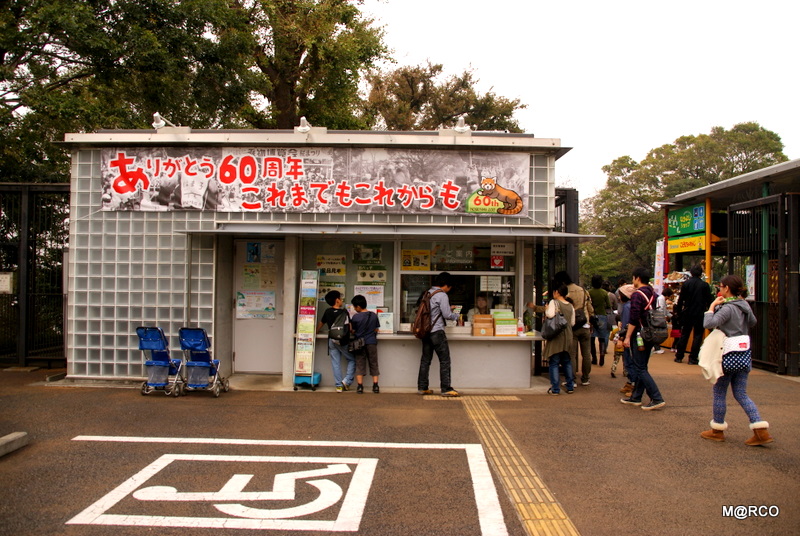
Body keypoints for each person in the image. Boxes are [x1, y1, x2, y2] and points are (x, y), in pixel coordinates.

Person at [700, 275, 773, 445]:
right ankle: (760, 430)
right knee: (741, 393)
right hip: (743, 354)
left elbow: (709, 324)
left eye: (721, 286)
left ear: (726, 288)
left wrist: (712, 306)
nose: (719, 289)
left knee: (719, 392)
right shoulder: (744, 305)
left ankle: (717, 430)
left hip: (727, 355)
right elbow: (753, 322)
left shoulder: (727, 308)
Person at [621, 268, 666, 410]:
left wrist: (627, 336)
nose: (633, 281)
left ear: (638, 278)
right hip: (650, 333)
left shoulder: (637, 295)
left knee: (639, 367)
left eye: (633, 278)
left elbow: (634, 318)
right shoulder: (653, 293)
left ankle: (656, 397)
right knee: (642, 366)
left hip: (640, 334)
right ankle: (636, 397)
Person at [417, 272, 461, 397]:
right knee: (445, 360)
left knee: (425, 360)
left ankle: (422, 387)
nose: (449, 289)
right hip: (436, 332)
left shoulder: (428, 293)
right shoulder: (442, 295)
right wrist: (456, 316)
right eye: (450, 286)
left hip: (425, 332)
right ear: (446, 285)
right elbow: (447, 315)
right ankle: (446, 388)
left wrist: (448, 308)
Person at [554, 271, 594, 386]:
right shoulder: (583, 290)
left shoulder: (565, 291)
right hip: (584, 324)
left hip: (573, 325)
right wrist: (590, 320)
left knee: (572, 354)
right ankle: (586, 378)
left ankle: (572, 379)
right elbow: (590, 307)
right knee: (586, 353)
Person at [317, 290, 356, 392]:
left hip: (332, 340)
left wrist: (315, 332)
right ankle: (346, 381)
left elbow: (321, 324)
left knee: (335, 363)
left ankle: (338, 385)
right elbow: (350, 328)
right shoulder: (344, 312)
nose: (342, 300)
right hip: (342, 341)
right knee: (352, 360)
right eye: (340, 298)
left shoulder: (327, 312)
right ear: (337, 300)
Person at [674, 265, 713, 364]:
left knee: (684, 334)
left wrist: (678, 313)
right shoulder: (704, 285)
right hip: (700, 313)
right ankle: (693, 358)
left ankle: (679, 356)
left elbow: (680, 300)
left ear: (691, 273)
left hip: (687, 312)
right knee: (698, 335)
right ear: (701, 273)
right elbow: (709, 300)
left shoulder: (686, 284)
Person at [545, 283, 575, 395]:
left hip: (557, 336)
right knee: (567, 361)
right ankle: (570, 386)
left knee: (554, 362)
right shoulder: (570, 305)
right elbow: (572, 322)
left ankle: (555, 389)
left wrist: (547, 309)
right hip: (568, 335)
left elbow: (550, 315)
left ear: (557, 292)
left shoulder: (554, 302)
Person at [350, 295, 381, 394]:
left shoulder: (355, 317)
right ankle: (375, 385)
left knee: (360, 363)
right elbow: (376, 329)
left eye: (355, 307)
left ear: (358, 306)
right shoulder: (373, 315)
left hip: (359, 343)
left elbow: (353, 330)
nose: (354, 309)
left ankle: (360, 386)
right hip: (371, 342)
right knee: (374, 363)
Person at [588, 275, 611, 367]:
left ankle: (594, 358)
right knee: (602, 337)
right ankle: (602, 355)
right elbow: (609, 305)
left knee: (592, 338)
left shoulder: (589, 292)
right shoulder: (604, 293)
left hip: (592, 316)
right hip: (602, 316)